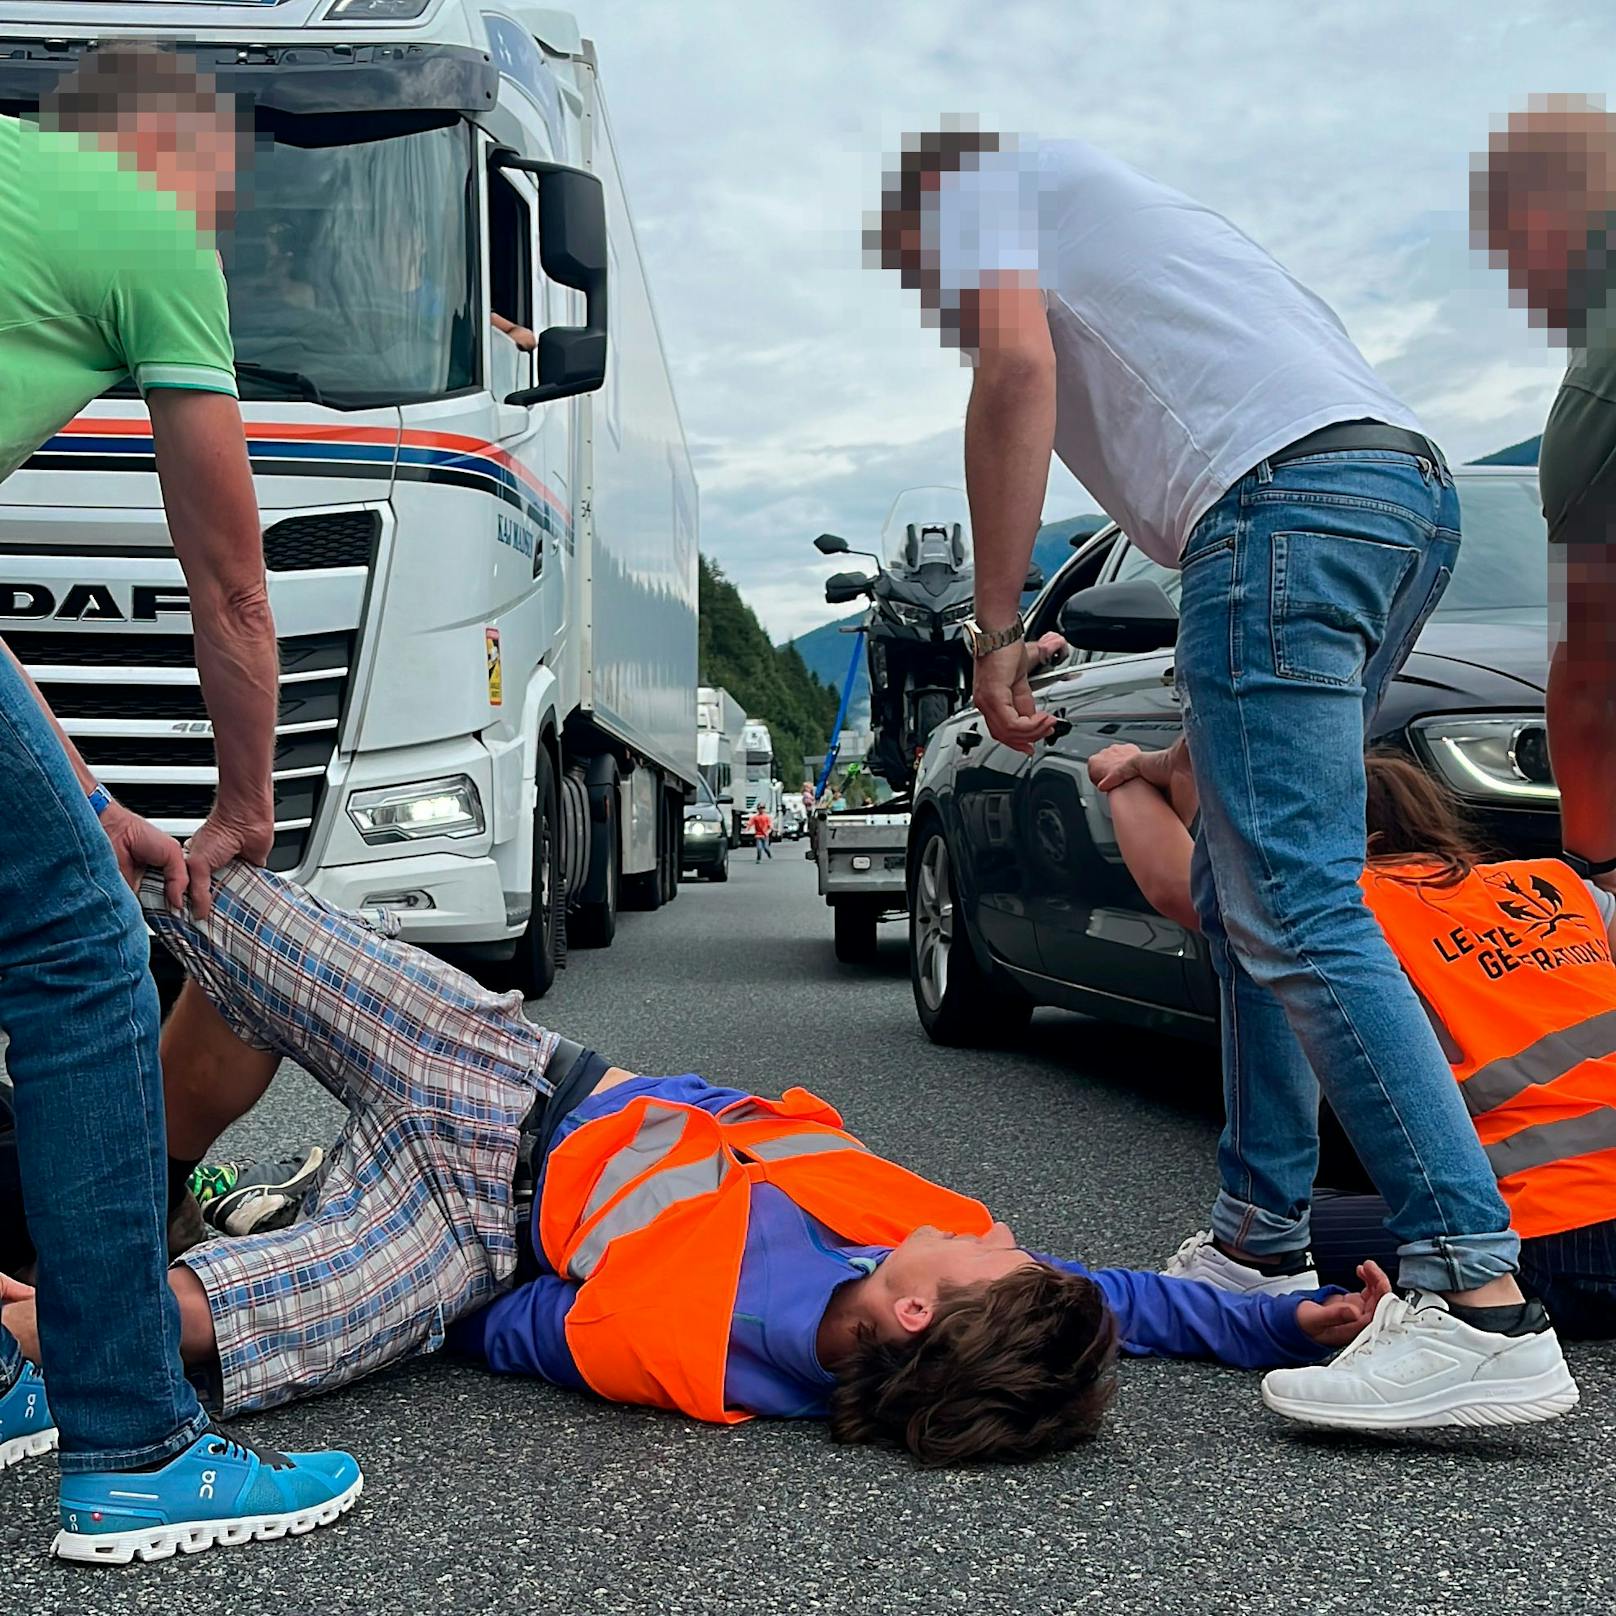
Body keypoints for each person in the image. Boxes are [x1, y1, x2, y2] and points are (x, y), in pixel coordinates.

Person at [873, 128, 1574, 1429]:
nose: (932, 290)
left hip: (1281, 510)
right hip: (1404, 494)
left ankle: (1477, 1301)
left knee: (1298, 906)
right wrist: (1198, 754)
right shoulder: (1168, 231)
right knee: (1247, 876)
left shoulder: (981, 192)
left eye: (915, 264)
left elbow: (1016, 371)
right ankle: (1259, 1234)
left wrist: (993, 624)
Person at [0, 863, 1393, 1467]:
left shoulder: (714, 1358)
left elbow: (518, 1329)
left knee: (219, 1323)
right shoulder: (906, 1253)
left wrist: (382, 1299)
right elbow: (1119, 1305)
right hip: (507, 1082)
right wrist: (1289, 1320)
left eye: (999, 1255)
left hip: (466, 1240)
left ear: (920, 1312)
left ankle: (50, 1317)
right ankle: (174, 1176)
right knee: (228, 913)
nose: (1009, 1231)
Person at [0, 44, 357, 1562]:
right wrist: (241, 809)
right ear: (154, 141)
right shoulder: (142, 225)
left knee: (57, 889)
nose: (226, 211)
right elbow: (231, 582)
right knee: (82, 959)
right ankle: (136, 1444)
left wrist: (88, 801)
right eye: (223, 171)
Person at [1093, 740, 1616, 1385]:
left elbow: (1181, 882)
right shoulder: (1563, 891)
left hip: (1555, 1237)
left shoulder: (1340, 912)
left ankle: (1470, 1320)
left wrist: (1120, 776)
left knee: (1303, 1238)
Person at [1475, 97, 1616, 905]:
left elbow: (1593, 675)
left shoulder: (1597, 398)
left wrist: (1594, 880)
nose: (1513, 276)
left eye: (1506, 248)